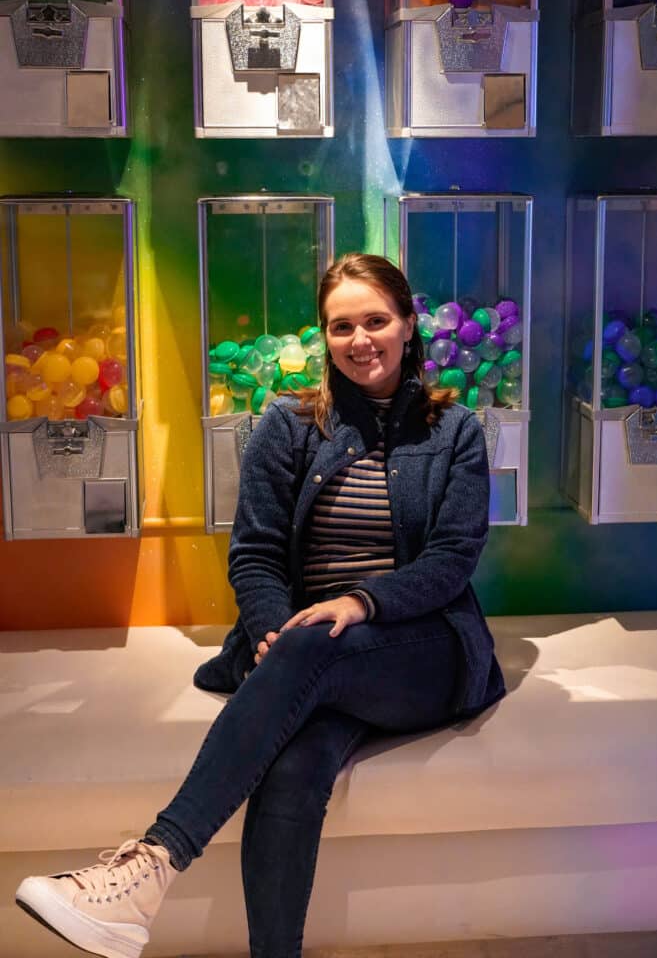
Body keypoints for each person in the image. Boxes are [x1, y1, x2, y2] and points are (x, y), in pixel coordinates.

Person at [16, 253, 505, 958]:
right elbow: (254, 553)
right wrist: (274, 631)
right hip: (312, 651)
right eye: (342, 326)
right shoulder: (287, 424)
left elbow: (451, 560)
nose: (360, 339)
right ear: (325, 336)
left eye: (376, 320)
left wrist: (363, 601)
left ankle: (151, 865)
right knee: (293, 771)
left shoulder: (452, 430)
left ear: (406, 325)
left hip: (420, 648)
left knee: (321, 638)